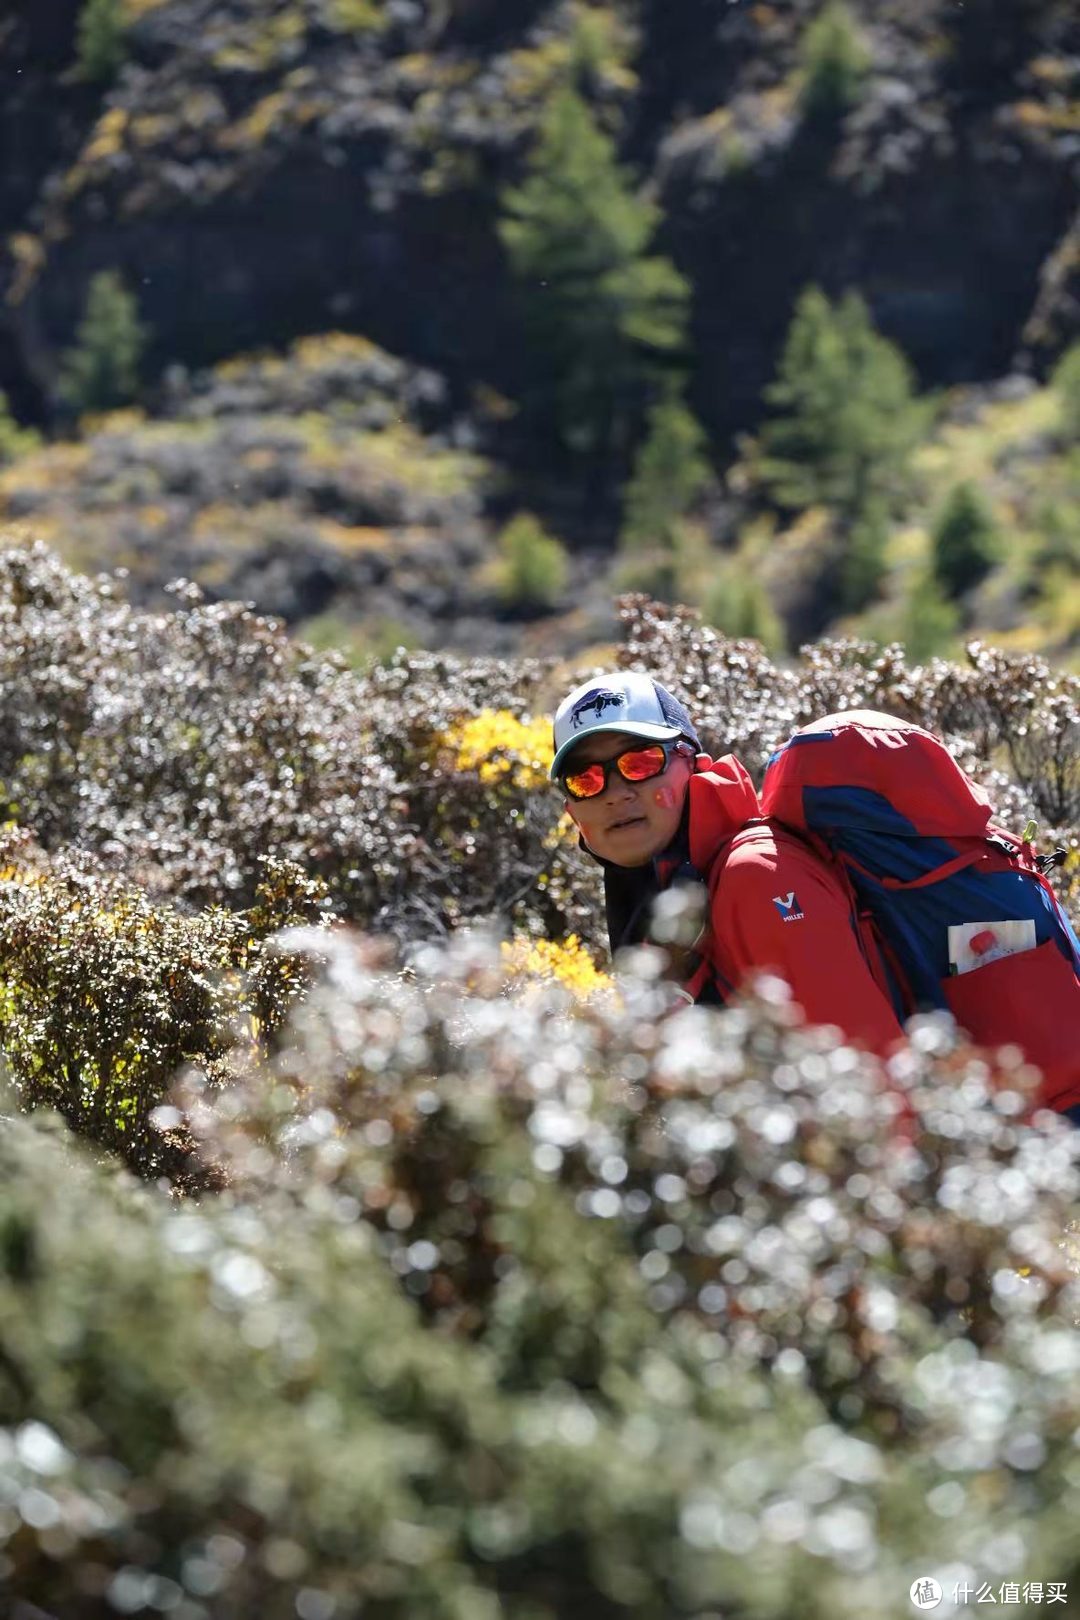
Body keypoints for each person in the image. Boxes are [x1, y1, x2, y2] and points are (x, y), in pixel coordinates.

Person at [550, 670, 905, 1057]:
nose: (615, 793)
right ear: (572, 810)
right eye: (584, 779)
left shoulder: (757, 877)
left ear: (694, 764)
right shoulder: (653, 892)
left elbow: (867, 1072)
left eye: (641, 762)